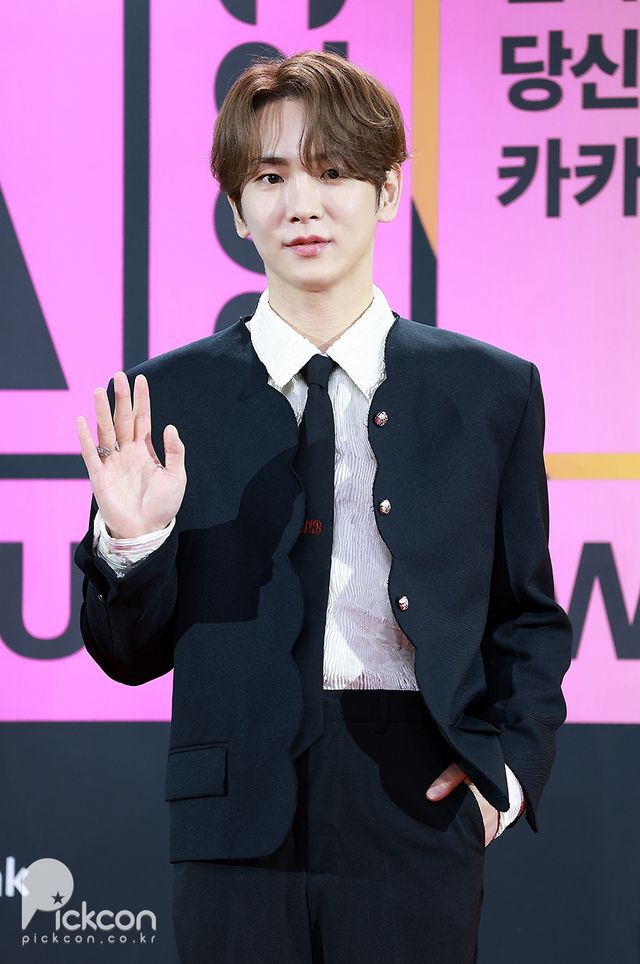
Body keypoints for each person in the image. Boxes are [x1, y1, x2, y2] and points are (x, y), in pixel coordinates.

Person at [74, 49, 573, 963]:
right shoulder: (162, 400)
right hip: (232, 815)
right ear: (238, 210)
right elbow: (125, 654)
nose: (302, 204)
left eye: (333, 170)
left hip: (417, 800)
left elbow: (528, 618)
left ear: (387, 192)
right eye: (271, 178)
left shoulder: (490, 391)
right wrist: (134, 543)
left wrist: (504, 776)